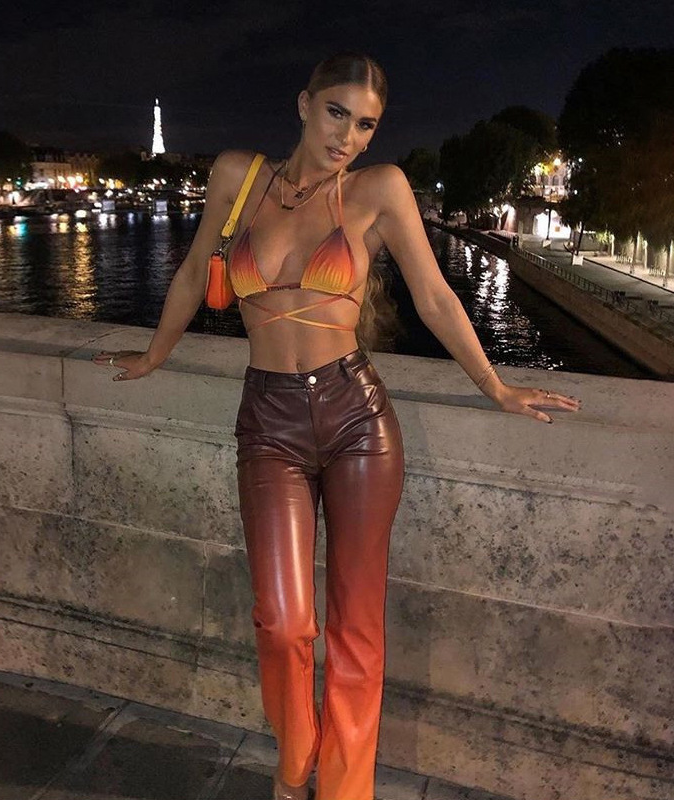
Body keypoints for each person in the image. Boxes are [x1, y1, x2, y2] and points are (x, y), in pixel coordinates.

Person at [93, 52, 580, 800]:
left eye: (366, 125)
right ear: (303, 104)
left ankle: (344, 790)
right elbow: (193, 273)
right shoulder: (237, 177)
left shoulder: (378, 189)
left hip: (358, 420)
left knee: (356, 628)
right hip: (269, 421)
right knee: (283, 620)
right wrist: (155, 355)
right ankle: (295, 767)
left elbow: (435, 296)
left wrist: (496, 386)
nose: (347, 137)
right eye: (336, 114)